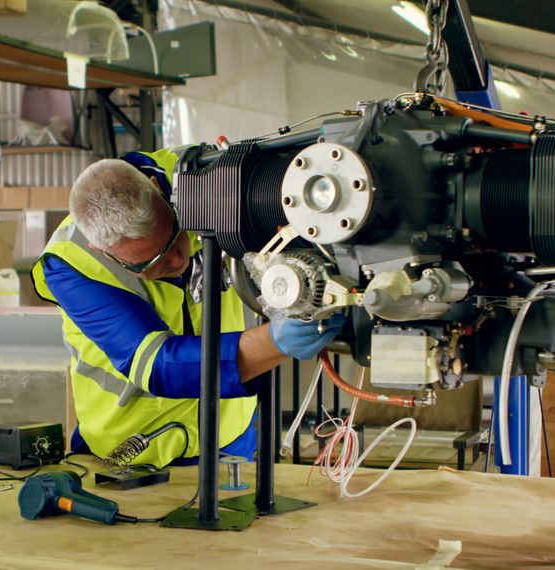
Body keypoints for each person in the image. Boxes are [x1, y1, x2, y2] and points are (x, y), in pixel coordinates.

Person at [32, 148, 344, 468]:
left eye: (175, 237)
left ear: (156, 188)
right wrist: (276, 342)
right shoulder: (71, 263)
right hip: (135, 451)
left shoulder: (204, 178)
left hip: (231, 431)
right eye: (152, 262)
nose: (178, 261)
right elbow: (155, 363)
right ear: (104, 251)